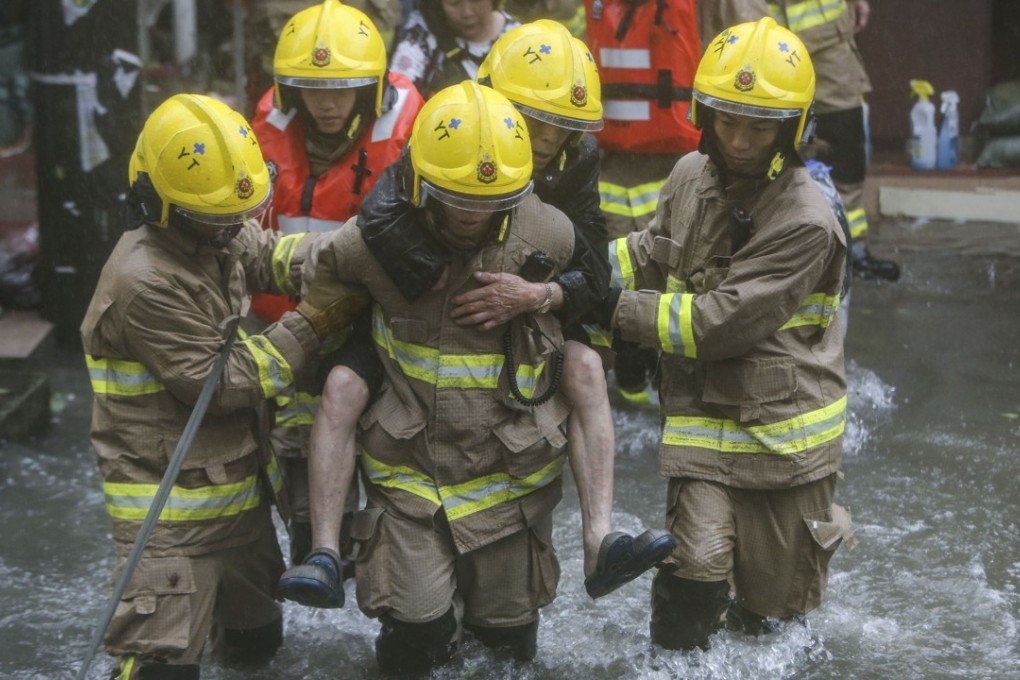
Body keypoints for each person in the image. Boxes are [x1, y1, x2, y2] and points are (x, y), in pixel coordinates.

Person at [277, 20, 673, 611]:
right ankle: (326, 554)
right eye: (532, 118)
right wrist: (429, 272)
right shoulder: (454, 130)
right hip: (423, 307)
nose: (543, 137)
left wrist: (538, 295)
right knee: (341, 386)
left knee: (587, 369)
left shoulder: (577, 160)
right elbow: (381, 214)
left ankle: (600, 539)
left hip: (527, 298)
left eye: (560, 124)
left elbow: (593, 263)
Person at [79, 93, 366, 680]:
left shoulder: (211, 227)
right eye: (216, 216)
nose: (233, 225)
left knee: (257, 645)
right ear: (160, 203)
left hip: (238, 505)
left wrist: (349, 252)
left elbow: (272, 255)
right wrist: (313, 323)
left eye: (238, 210)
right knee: (165, 670)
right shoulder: (144, 281)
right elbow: (230, 380)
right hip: (167, 522)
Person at [600, 18, 857, 651]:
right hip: (701, 428)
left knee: (770, 624)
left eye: (759, 126)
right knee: (691, 582)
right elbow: (650, 252)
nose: (739, 141)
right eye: (727, 120)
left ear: (791, 130)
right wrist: (570, 275)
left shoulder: (807, 220)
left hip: (785, 445)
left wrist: (612, 309)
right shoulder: (691, 173)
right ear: (703, 114)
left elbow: (719, 322)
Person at [307, 80, 578, 674]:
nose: (471, 215)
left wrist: (544, 295)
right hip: (409, 486)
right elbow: (305, 266)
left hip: (508, 485)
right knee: (414, 645)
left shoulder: (551, 235)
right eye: (456, 199)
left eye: (489, 203)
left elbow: (598, 298)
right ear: (422, 186)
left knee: (508, 651)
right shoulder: (374, 243)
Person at [249, 0, 424, 570]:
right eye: (310, 88)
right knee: (294, 472)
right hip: (289, 322)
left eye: (342, 89)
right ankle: (316, 550)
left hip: (374, 321)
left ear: (369, 89)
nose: (325, 102)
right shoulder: (267, 124)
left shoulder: (403, 129)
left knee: (375, 443)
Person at [699, 0, 899, 281]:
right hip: (751, 21)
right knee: (752, 136)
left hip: (824, 27)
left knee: (845, 139)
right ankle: (755, 246)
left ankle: (850, 249)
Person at [389, 0, 521, 98]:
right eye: (454, 2)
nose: (466, 12)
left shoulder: (518, 38)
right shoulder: (420, 35)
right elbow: (397, 94)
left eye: (475, 0)